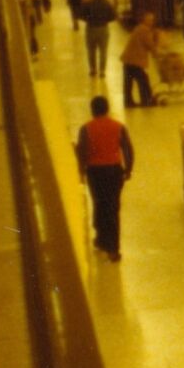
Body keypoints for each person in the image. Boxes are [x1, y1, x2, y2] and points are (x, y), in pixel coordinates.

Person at [75, 95, 133, 263]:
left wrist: (81, 171)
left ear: (92, 110)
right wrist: (128, 169)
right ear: (107, 109)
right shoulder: (118, 127)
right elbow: (128, 149)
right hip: (114, 171)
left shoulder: (86, 128)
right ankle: (113, 248)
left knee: (99, 204)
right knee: (113, 208)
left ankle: (101, 239)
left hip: (95, 172)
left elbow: (82, 152)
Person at [119, 12, 158, 108]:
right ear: (144, 20)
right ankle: (146, 101)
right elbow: (150, 45)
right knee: (143, 79)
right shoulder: (144, 30)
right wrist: (158, 54)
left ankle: (128, 102)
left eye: (152, 20)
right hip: (135, 60)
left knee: (128, 82)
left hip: (127, 59)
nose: (152, 22)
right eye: (150, 20)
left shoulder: (138, 28)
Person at [79, 0, 116, 79]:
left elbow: (81, 15)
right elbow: (113, 16)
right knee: (103, 51)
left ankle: (93, 70)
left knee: (91, 51)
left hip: (90, 28)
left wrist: (89, 19)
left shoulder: (88, 3)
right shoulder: (107, 3)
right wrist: (105, 20)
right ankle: (102, 71)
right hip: (103, 29)